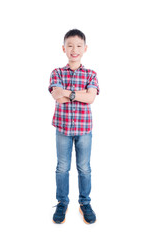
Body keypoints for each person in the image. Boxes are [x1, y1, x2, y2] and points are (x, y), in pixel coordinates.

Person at [48, 29, 100, 224]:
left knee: (84, 168)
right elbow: (57, 97)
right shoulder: (57, 72)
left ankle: (85, 203)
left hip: (84, 129)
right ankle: (62, 202)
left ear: (85, 49)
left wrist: (68, 93)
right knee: (62, 168)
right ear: (64, 48)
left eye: (78, 46)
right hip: (63, 129)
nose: (74, 49)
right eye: (70, 45)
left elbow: (91, 97)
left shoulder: (91, 74)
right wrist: (79, 93)